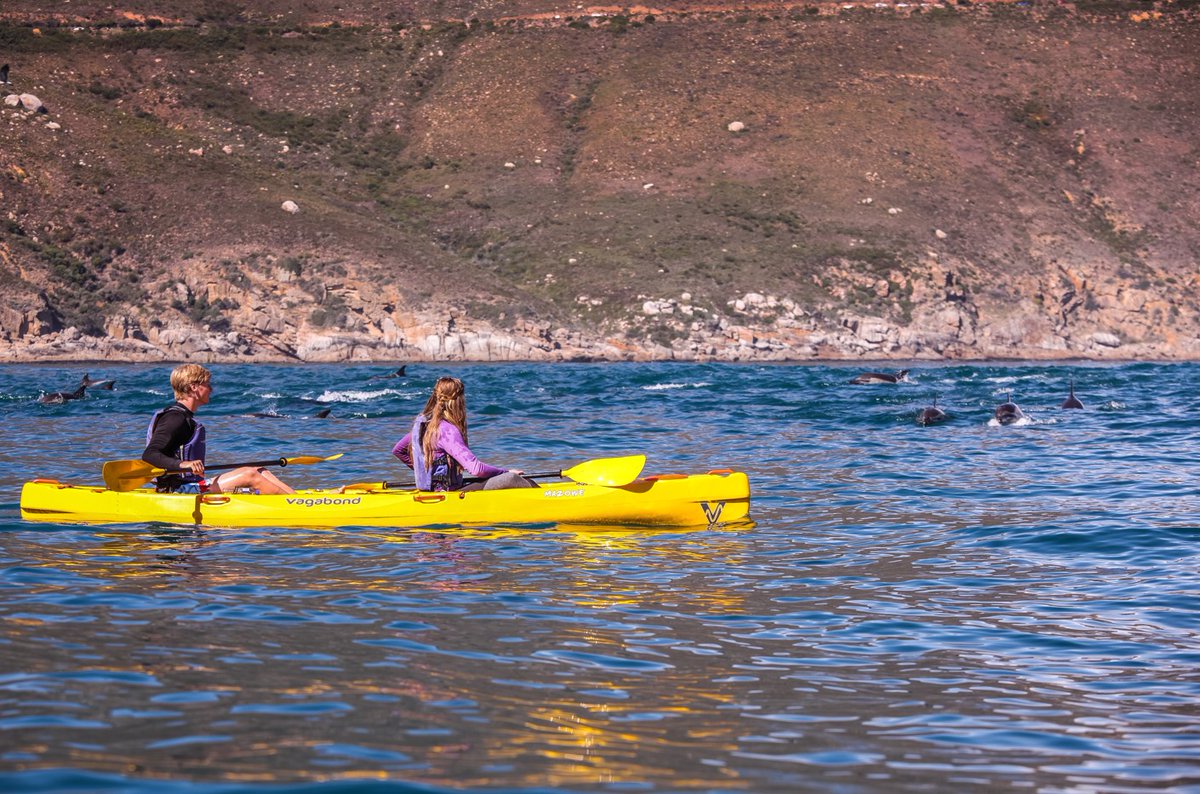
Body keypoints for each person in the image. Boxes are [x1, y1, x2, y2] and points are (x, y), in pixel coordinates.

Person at [143, 363, 295, 495]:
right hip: (178, 490)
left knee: (259, 470)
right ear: (194, 387)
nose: (211, 389)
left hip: (191, 485)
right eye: (207, 384)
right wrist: (184, 465)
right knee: (250, 475)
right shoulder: (175, 418)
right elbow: (150, 455)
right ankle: (295, 508)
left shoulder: (184, 417)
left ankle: (297, 499)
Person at [393, 376, 534, 491]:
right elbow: (476, 469)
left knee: (505, 478)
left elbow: (398, 450)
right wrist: (505, 471)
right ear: (458, 401)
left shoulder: (426, 427)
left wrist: (426, 473)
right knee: (511, 479)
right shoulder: (447, 430)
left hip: (432, 493)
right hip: (449, 495)